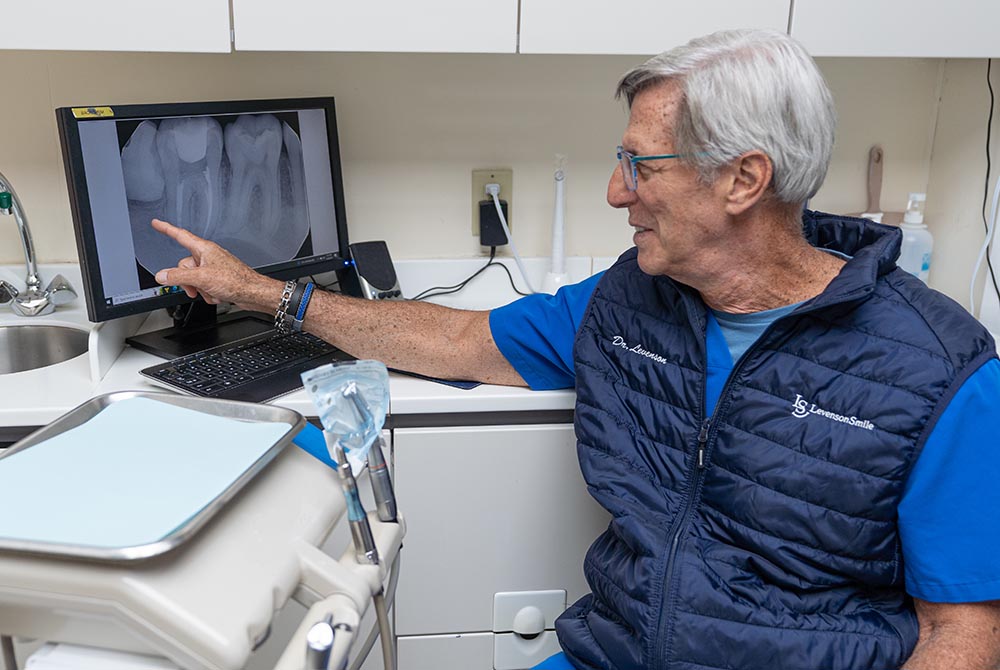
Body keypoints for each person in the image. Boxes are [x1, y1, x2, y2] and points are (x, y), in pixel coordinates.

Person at [152, 29, 1000, 670]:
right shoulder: (631, 301)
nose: (615, 191)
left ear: (744, 180)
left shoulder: (936, 370)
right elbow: (458, 339)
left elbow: (964, 631)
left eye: (641, 165)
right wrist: (266, 295)